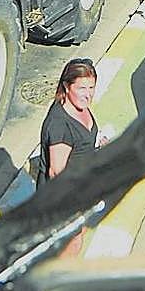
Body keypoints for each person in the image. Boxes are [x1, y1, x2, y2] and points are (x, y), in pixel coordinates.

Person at [39, 58, 106, 255]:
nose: (88, 95)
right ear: (67, 86)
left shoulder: (78, 106)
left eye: (91, 87)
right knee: (71, 245)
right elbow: (56, 172)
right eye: (82, 88)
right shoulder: (60, 125)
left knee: (78, 235)